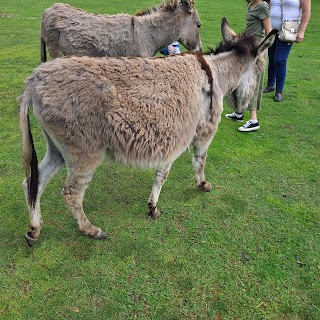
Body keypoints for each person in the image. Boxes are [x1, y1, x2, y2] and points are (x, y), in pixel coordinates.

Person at [225, 0, 272, 132]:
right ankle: (239, 112)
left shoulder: (263, 6)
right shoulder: (252, 5)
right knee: (242, 81)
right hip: (247, 48)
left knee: (253, 84)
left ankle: (253, 120)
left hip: (257, 51)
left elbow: (269, 32)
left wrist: (259, 51)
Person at [263, 0, 311, 102]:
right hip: (271, 29)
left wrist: (301, 31)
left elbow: (306, 11)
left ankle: (279, 91)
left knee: (280, 60)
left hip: (288, 30)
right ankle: (270, 84)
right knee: (271, 57)